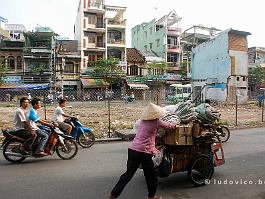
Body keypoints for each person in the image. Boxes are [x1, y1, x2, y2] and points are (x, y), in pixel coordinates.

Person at [109, 103, 176, 199]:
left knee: (128, 174)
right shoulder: (156, 121)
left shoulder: (143, 121)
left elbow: (147, 134)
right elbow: (169, 126)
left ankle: (113, 194)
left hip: (133, 150)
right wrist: (175, 125)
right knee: (151, 175)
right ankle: (152, 196)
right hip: (143, 152)